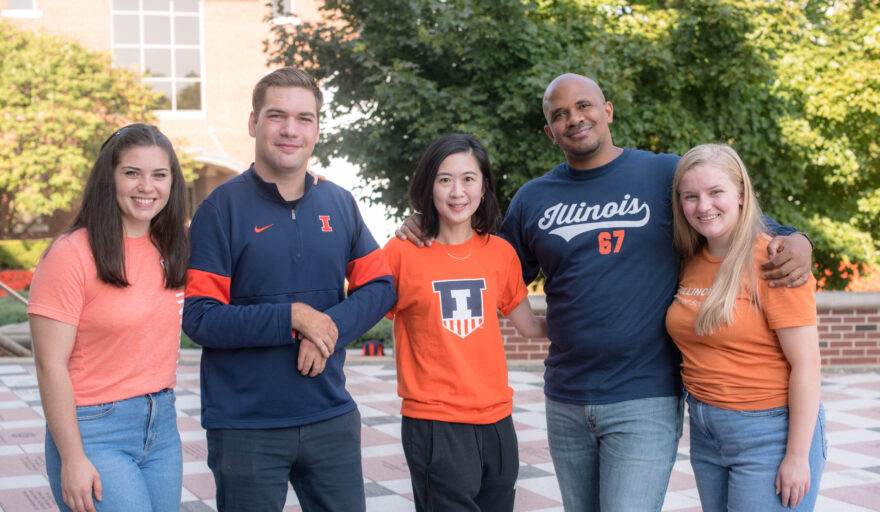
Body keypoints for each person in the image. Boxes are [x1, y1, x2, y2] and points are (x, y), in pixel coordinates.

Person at [397, 73, 814, 511]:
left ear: (607, 111)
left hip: (645, 396)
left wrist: (799, 240)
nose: (574, 119)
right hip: (566, 397)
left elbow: (730, 212)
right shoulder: (534, 198)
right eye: (559, 115)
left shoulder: (663, 174)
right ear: (549, 132)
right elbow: (481, 260)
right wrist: (423, 225)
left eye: (584, 106)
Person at [182, 67, 396, 512]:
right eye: (277, 116)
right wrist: (293, 317)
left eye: (304, 118)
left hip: (330, 416)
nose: (290, 130)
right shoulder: (219, 210)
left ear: (318, 128)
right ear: (253, 123)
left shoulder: (339, 202)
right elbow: (201, 318)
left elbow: (380, 286)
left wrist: (326, 327)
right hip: (246, 428)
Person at [28, 123, 189, 512]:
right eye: (132, 173)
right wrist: (72, 457)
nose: (146, 187)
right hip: (94, 428)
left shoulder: (175, 246)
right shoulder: (71, 253)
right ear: (109, 178)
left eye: (159, 175)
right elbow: (50, 365)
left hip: (162, 425)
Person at [384, 134, 547, 511]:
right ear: (429, 186)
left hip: (497, 420)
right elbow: (360, 310)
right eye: (445, 179)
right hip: (435, 422)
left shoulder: (500, 252)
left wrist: (590, 316)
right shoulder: (401, 252)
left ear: (484, 186)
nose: (457, 191)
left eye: (468, 178)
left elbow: (532, 327)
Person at [666, 144, 825, 511]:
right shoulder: (688, 259)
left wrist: (798, 457)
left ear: (741, 193)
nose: (703, 206)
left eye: (715, 192)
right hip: (706, 430)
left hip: (770, 431)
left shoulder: (775, 260)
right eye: (691, 196)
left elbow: (807, 364)